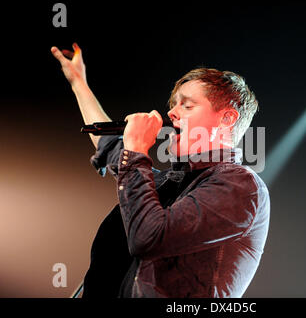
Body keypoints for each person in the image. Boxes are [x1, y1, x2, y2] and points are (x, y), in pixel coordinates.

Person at [51, 43, 270, 298]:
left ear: (227, 118)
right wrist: (79, 83)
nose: (171, 113)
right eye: (174, 105)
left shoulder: (240, 185)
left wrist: (136, 152)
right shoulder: (167, 181)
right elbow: (111, 147)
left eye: (187, 106)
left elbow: (148, 237)